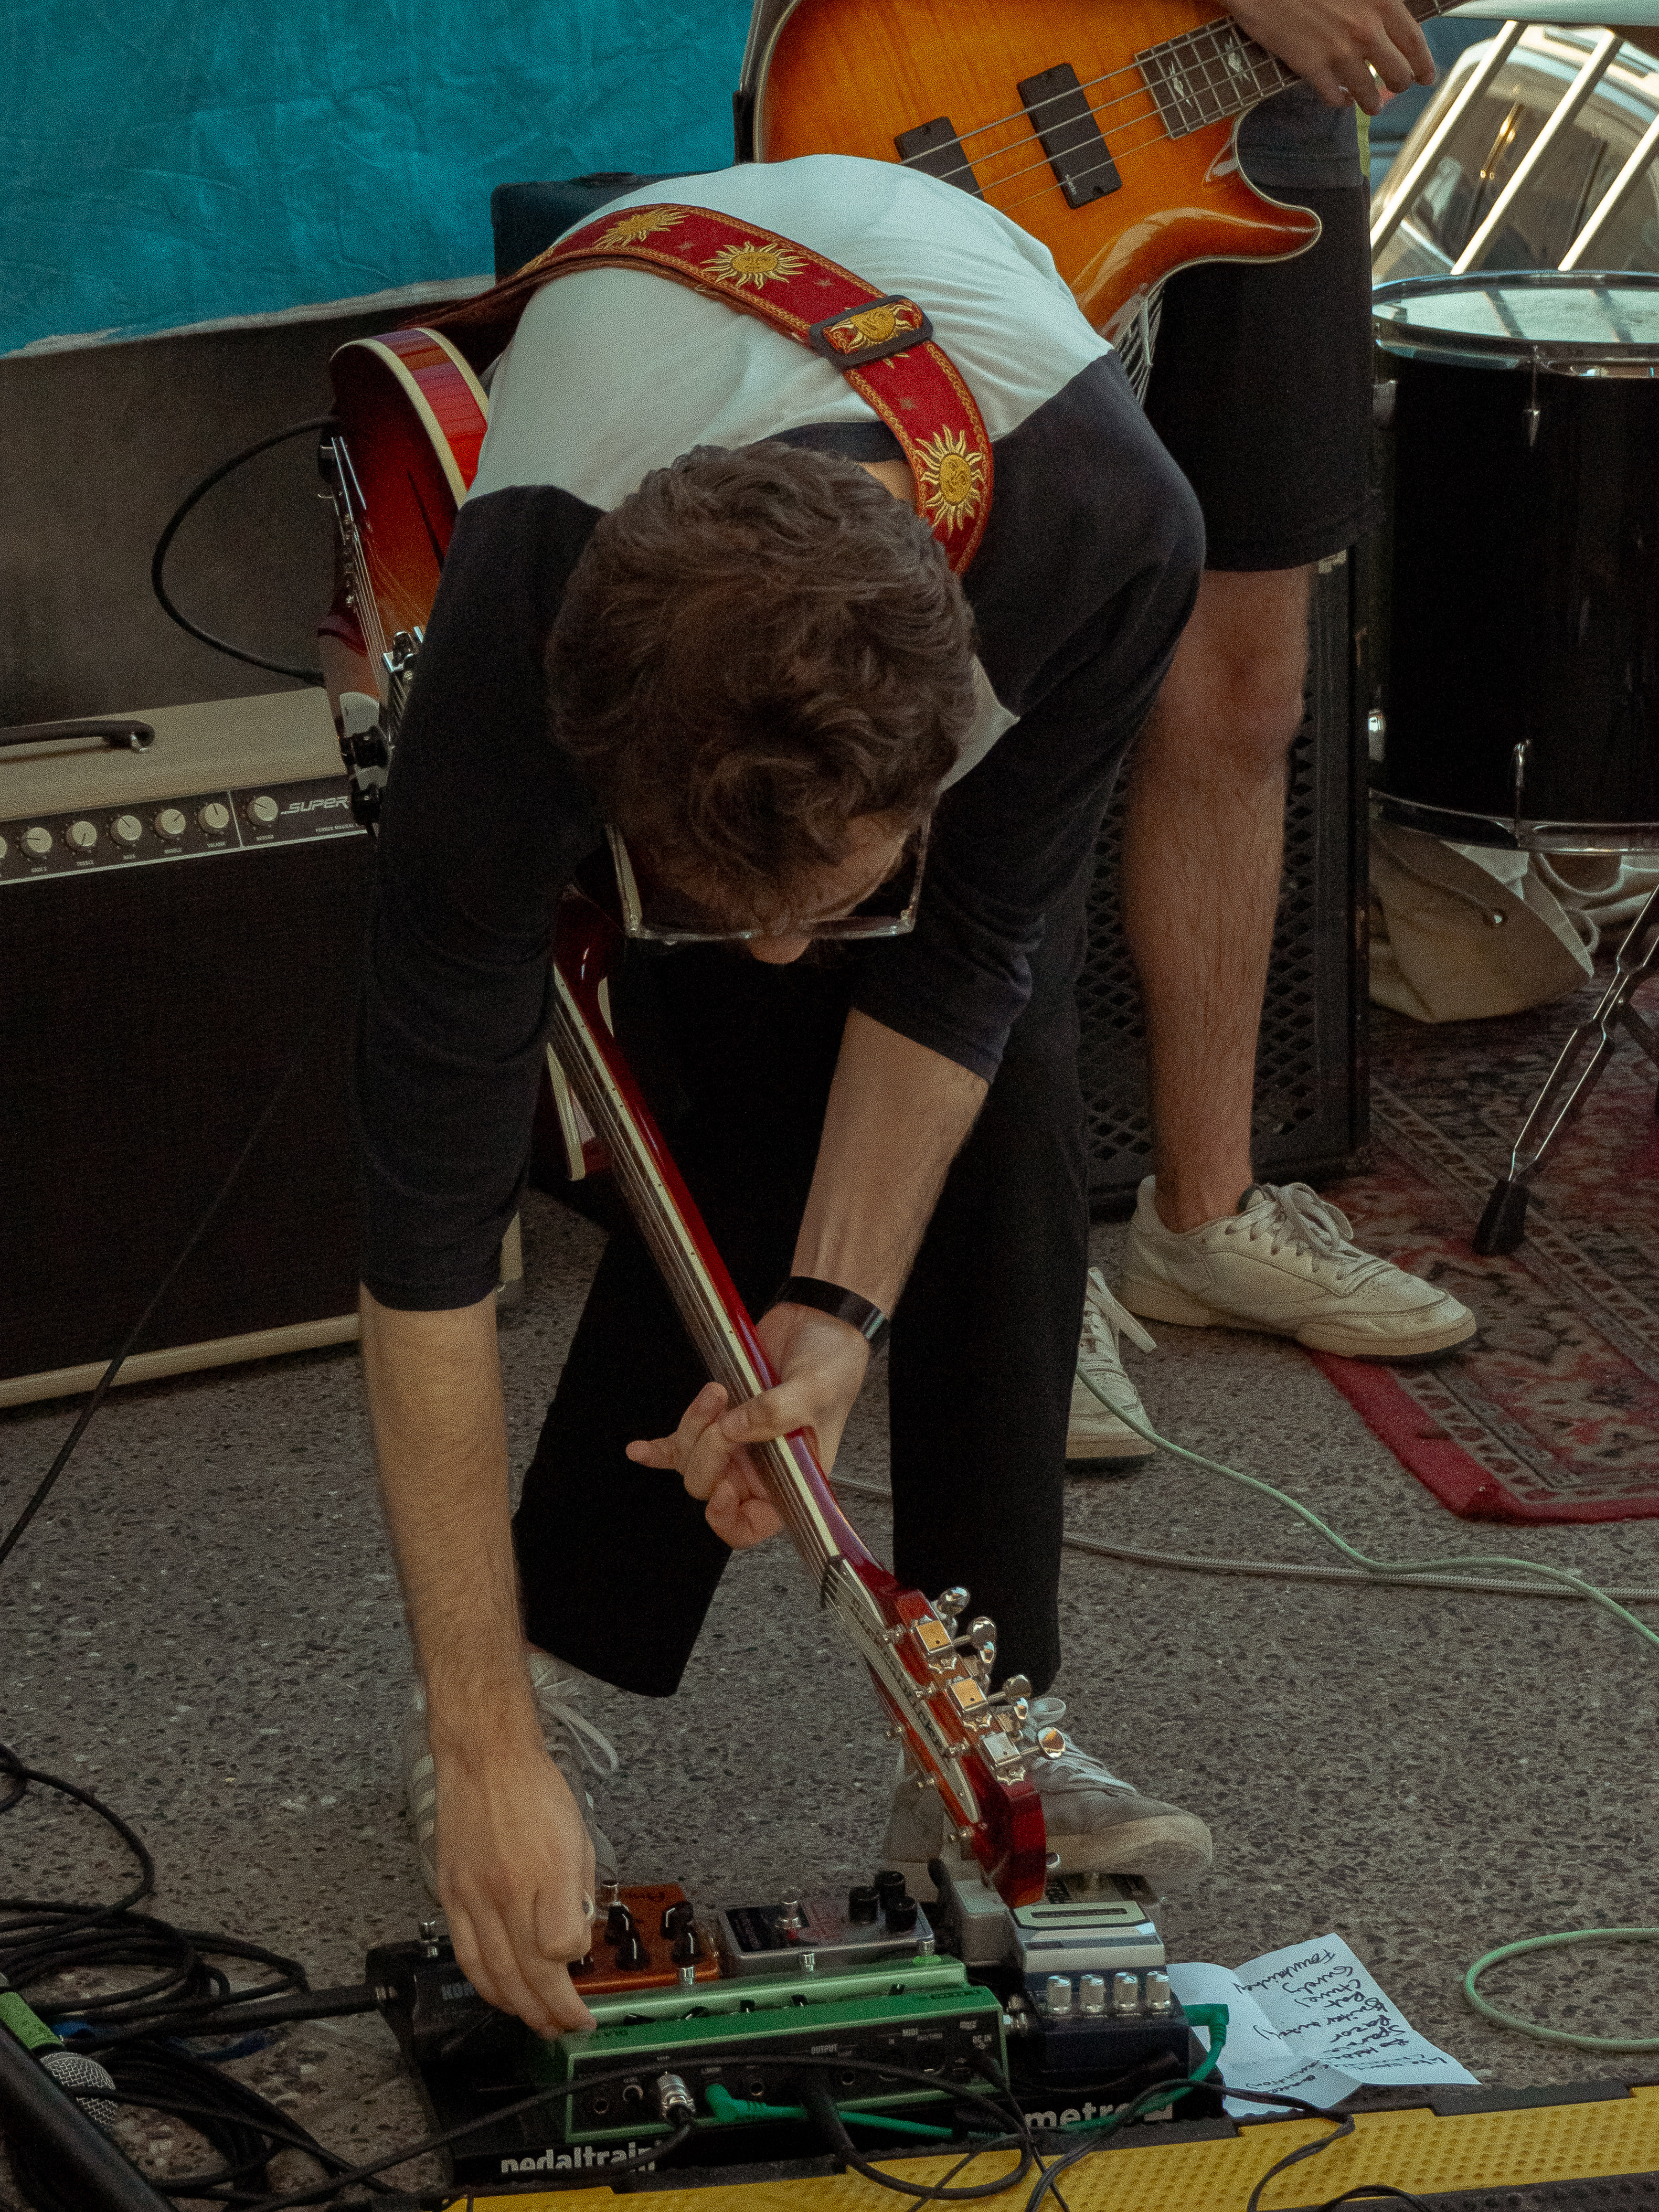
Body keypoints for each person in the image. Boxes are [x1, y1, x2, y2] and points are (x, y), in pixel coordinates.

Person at [356, 151, 1213, 2040]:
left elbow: (969, 949)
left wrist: (830, 1321)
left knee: (1005, 1070)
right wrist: (483, 1744)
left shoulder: (1116, 534)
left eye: (834, 892)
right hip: (630, 412)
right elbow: (418, 1239)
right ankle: (515, 1689)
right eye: (716, 901)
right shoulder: (515, 661)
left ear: (944, 756)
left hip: (979, 441)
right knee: (736, 1043)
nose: (773, 954)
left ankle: (990, 1727)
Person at [1066, 0, 1480, 1473]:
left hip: (1276, 120)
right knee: (1014, 692)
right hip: (1005, 97)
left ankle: (1204, 1213)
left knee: (1248, 694)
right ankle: (1008, 1273)